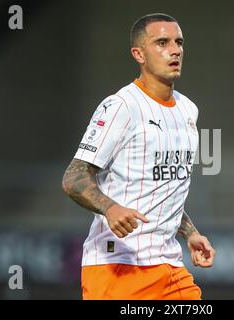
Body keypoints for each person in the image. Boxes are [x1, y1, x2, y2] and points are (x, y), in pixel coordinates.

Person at [62, 13, 215, 300]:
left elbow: (164, 186)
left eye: (179, 42)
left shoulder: (188, 111)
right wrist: (110, 208)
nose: (175, 50)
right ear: (138, 54)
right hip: (118, 266)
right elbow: (73, 177)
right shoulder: (120, 106)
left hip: (169, 266)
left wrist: (190, 233)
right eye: (162, 42)